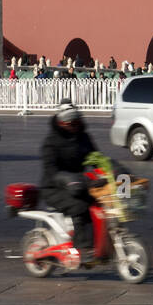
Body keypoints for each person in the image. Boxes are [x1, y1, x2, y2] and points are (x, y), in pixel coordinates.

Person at [41, 101, 129, 265]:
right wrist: (66, 179)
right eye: (70, 123)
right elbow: (51, 171)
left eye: (76, 122)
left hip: (79, 183)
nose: (74, 126)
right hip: (54, 188)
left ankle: (100, 244)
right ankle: (84, 248)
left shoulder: (83, 137)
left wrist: (117, 169)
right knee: (80, 207)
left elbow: (96, 158)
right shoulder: (50, 142)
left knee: (102, 204)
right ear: (61, 123)